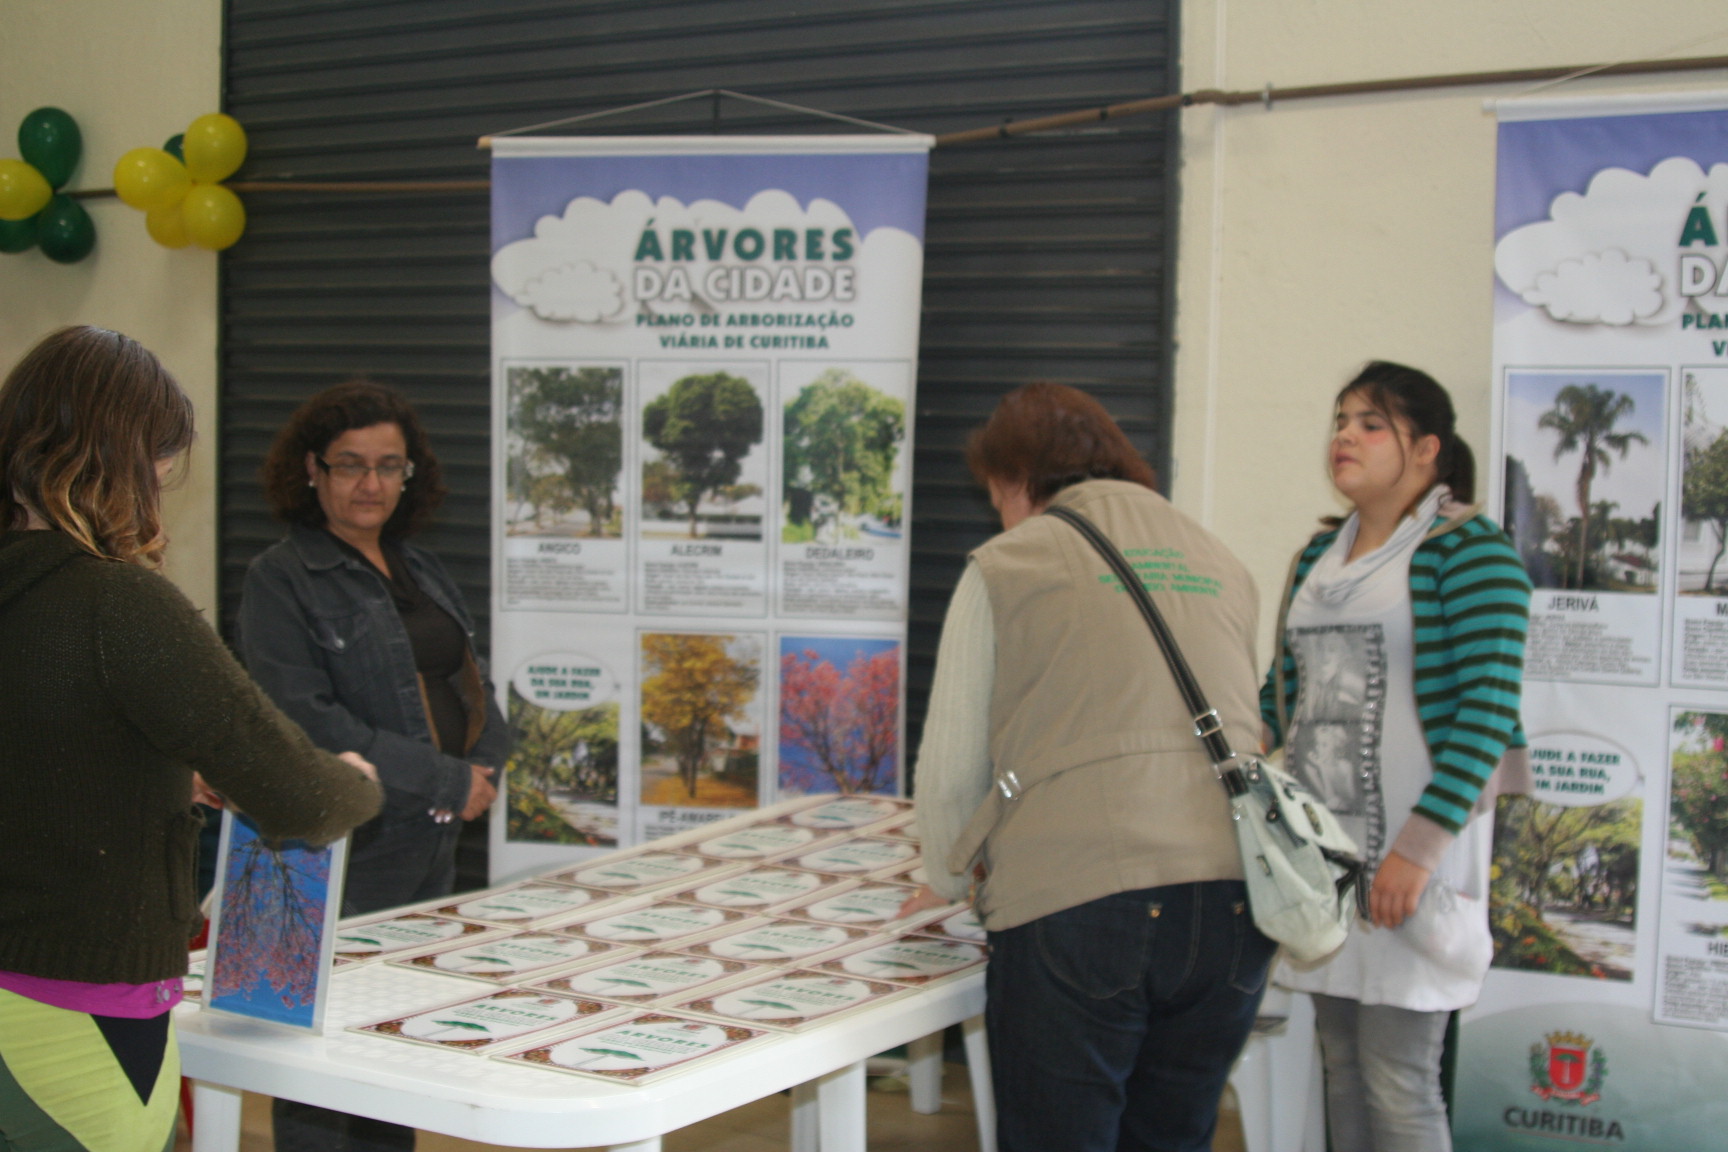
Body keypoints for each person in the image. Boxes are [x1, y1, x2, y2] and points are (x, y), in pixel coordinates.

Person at [0, 326, 382, 1152]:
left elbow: (42, 757)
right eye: (161, 463)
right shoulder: (119, 605)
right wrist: (358, 778)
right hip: (74, 1019)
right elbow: (302, 798)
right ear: (125, 461)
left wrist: (172, 774)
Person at [906, 382, 1274, 1152]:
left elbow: (949, 768)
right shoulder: (1220, 559)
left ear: (1014, 478)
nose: (999, 515)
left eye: (995, 497)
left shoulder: (1008, 563)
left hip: (1081, 907)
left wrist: (943, 877)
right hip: (1234, 905)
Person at [1261, 361, 1531, 1152]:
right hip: (1325, 860)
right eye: (1341, 421)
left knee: (1398, 1077)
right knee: (1342, 1065)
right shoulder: (1317, 557)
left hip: (1417, 857)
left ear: (1426, 449)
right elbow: (1284, 691)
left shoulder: (1471, 551)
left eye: (1371, 424)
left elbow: (1487, 714)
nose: (1345, 436)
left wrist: (1416, 852)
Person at [237, 380, 507, 1152]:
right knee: (321, 1056)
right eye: (350, 464)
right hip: (347, 846)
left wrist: (485, 765)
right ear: (311, 470)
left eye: (390, 466)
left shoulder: (419, 566)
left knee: (395, 1045)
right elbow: (306, 719)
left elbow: (472, 683)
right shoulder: (280, 578)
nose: (371, 484)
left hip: (432, 839)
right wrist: (447, 780)